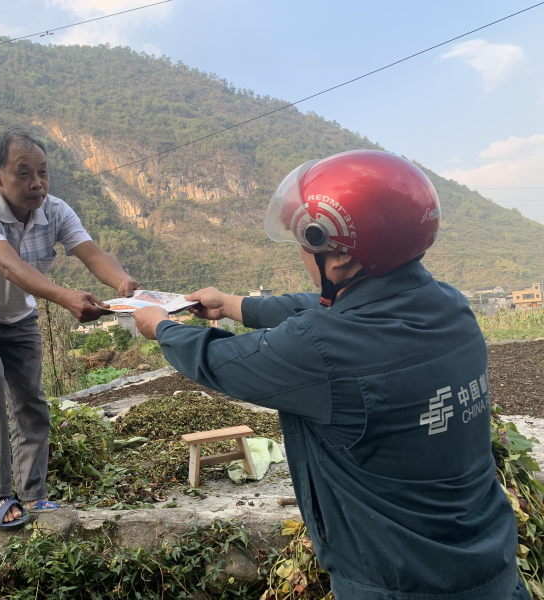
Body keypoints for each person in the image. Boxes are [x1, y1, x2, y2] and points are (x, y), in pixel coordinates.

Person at [133, 150, 527, 599]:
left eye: (306, 244)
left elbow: (220, 360)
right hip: (491, 565)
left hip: (397, 583)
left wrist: (161, 327)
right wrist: (235, 305)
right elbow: (335, 310)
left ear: (337, 258)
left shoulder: (320, 349)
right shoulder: (449, 306)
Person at [0, 128, 140, 528]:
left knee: (31, 399)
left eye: (43, 173)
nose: (36, 184)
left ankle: (33, 493)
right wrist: (65, 297)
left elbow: (92, 252)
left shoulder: (57, 211)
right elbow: (10, 265)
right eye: (23, 173)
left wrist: (120, 283)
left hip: (17, 317)